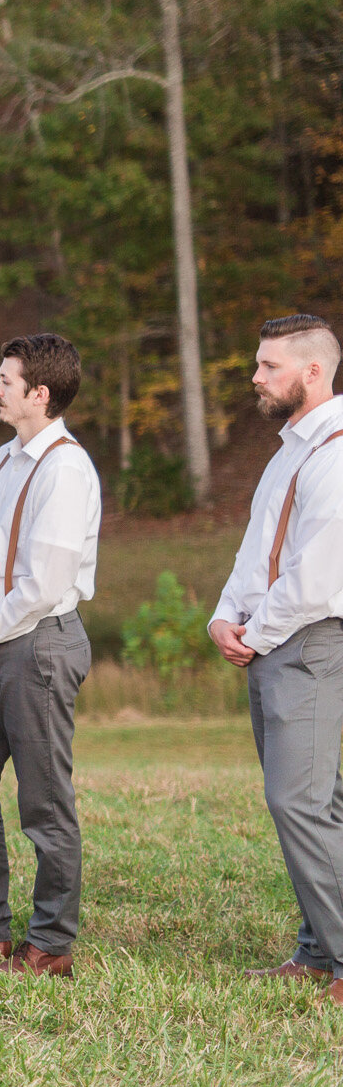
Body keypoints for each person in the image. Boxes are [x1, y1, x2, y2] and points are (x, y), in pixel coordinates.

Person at [0, 334, 101, 978]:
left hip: (38, 645)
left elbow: (43, 582)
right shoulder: (1, 461)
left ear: (40, 393)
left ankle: (52, 942)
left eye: (6, 380)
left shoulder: (66, 469)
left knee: (43, 800)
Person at [207, 315, 343, 1001]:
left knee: (299, 800)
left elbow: (316, 578)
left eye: (268, 366)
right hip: (270, 640)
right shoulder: (289, 451)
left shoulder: (339, 454)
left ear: (312, 371)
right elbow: (256, 552)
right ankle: (318, 952)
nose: (255, 377)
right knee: (318, 802)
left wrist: (256, 632)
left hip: (309, 641)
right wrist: (223, 616)